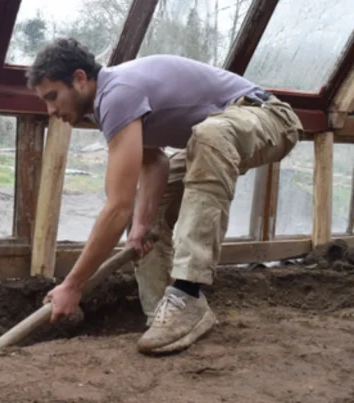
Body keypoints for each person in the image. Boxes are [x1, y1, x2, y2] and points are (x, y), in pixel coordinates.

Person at [27, 38, 303, 355]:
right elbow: (153, 162)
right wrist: (142, 224)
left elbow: (117, 206)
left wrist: (73, 285)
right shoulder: (110, 103)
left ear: (79, 78)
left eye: (52, 97)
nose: (50, 110)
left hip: (268, 117)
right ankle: (162, 315)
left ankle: (187, 293)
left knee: (207, 136)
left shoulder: (116, 92)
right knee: (144, 214)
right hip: (214, 136)